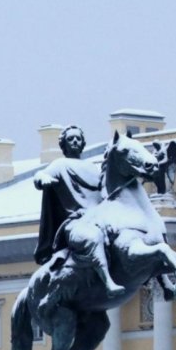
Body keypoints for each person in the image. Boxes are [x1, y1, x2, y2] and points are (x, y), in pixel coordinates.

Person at [33, 125, 125, 297]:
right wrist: (42, 179)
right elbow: (39, 177)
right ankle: (108, 282)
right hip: (75, 222)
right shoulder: (60, 165)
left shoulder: (91, 168)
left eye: (78, 138)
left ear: (83, 143)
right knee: (93, 238)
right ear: (64, 145)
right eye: (70, 139)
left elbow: (103, 192)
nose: (75, 141)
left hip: (97, 218)